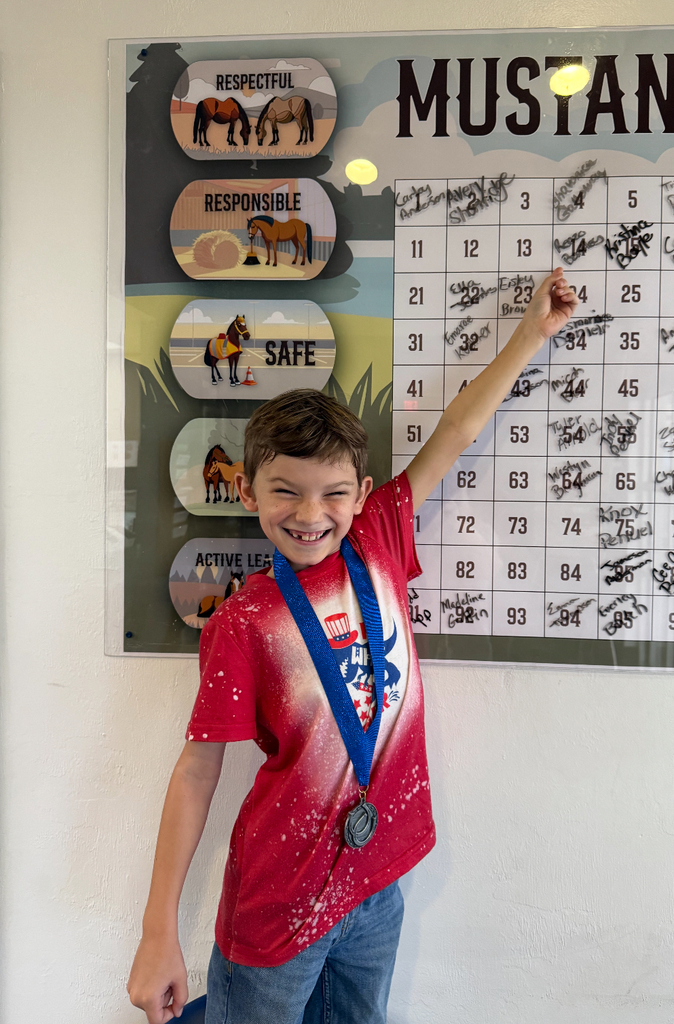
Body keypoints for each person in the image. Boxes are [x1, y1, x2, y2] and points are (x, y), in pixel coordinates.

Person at [127, 268, 577, 1024]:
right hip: (277, 909)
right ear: (246, 491)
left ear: (362, 495)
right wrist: (156, 931)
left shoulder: (378, 540)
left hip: (375, 887)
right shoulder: (245, 621)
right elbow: (198, 772)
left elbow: (456, 430)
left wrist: (530, 335)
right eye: (285, 491)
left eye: (333, 492)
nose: (311, 514)